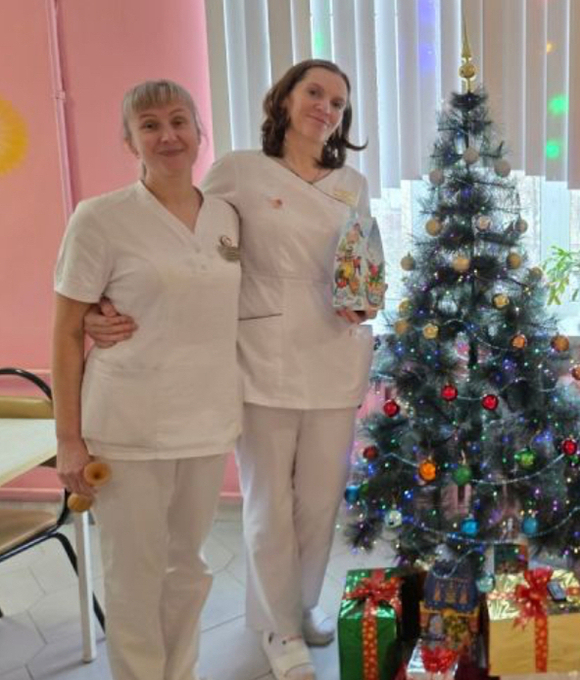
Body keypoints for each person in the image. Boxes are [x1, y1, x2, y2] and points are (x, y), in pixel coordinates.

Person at [84, 60, 379, 680]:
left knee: (320, 501)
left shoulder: (353, 183)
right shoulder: (240, 170)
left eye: (337, 101)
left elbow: (364, 259)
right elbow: (178, 237)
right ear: (285, 100)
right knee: (269, 503)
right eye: (314, 92)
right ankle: (277, 628)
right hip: (259, 358)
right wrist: (97, 309)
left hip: (335, 353)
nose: (325, 107)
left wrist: (369, 297)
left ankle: (301, 603)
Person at [52, 80, 241, 680]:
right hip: (128, 427)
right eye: (150, 125)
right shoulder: (101, 219)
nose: (168, 136)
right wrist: (69, 440)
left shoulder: (225, 217)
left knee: (188, 568)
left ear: (199, 132)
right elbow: (66, 332)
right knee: (135, 576)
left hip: (207, 421)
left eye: (179, 121)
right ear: (129, 140)